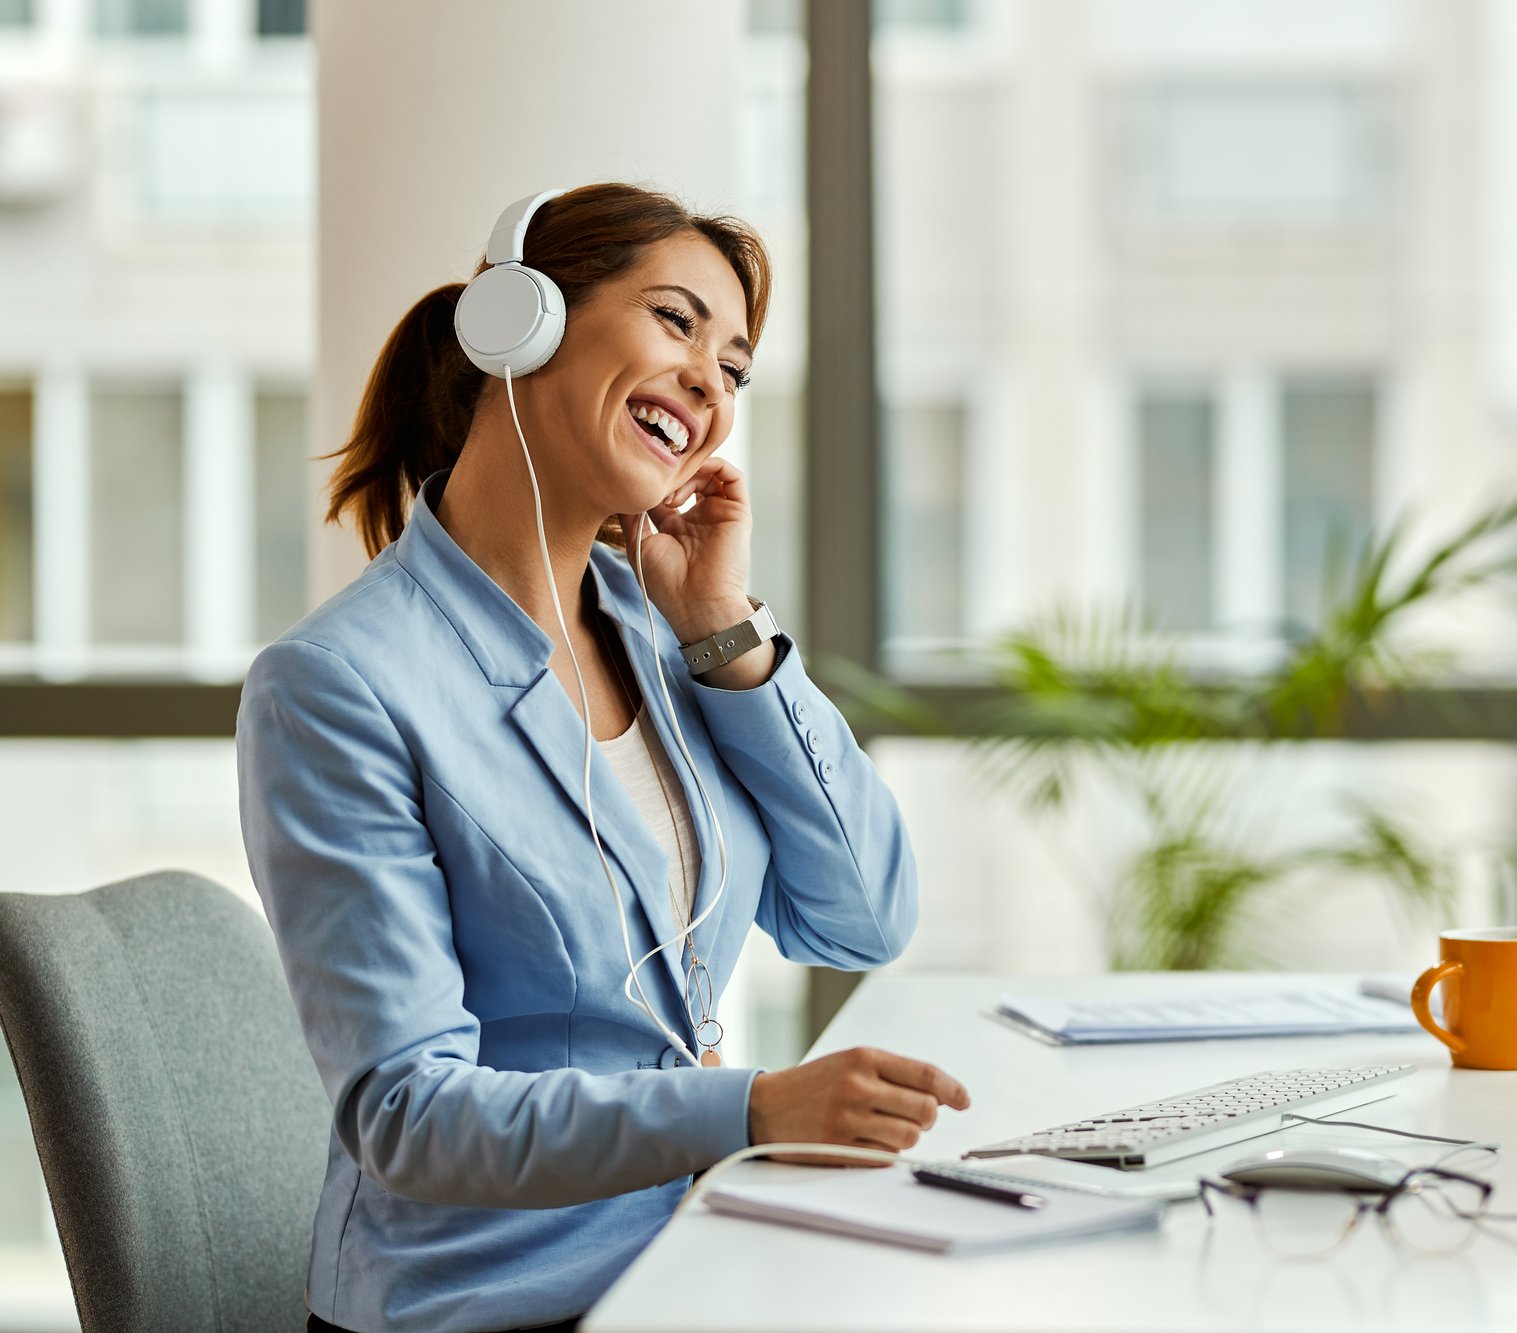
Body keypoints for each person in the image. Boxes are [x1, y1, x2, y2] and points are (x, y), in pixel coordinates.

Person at [236, 182, 971, 1333]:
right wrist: (748, 1109)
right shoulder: (340, 685)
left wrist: (726, 637)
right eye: (676, 322)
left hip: (690, 1265)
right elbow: (410, 1116)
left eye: (732, 367)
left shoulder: (664, 636)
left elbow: (862, 916)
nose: (707, 384)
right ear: (517, 321)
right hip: (489, 1305)